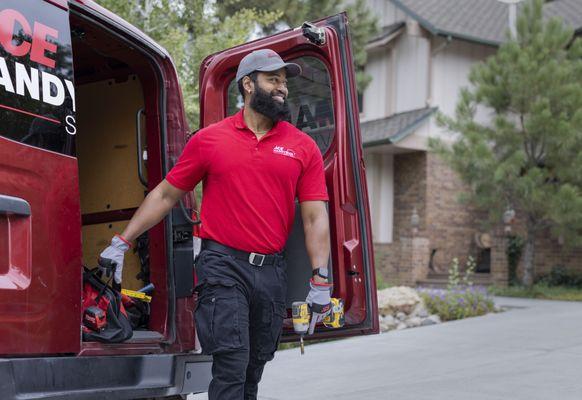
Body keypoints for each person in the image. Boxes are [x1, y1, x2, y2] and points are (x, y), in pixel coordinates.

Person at [98, 49, 332, 400]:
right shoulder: (210, 139)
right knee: (231, 362)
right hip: (222, 266)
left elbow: (314, 216)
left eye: (284, 81)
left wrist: (320, 278)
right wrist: (122, 241)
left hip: (271, 271)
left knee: (254, 366)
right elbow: (165, 195)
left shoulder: (303, 147)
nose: (282, 88)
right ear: (249, 84)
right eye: (273, 79)